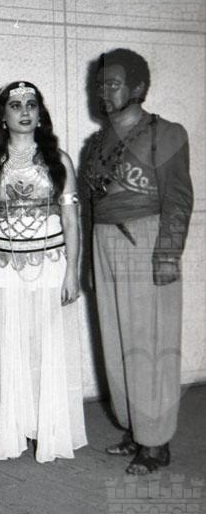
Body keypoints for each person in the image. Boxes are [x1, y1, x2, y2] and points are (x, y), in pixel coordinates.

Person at [84, 48, 193, 474]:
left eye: (112, 84)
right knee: (116, 343)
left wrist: (167, 253)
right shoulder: (96, 143)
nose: (103, 92)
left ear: (139, 87)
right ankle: (135, 428)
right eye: (100, 85)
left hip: (145, 238)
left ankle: (156, 444)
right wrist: (87, 264)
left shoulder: (166, 133)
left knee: (151, 344)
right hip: (104, 241)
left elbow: (179, 198)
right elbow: (89, 206)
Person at [0, 81, 88, 463]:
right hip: (3, 270)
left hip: (50, 267)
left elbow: (71, 220)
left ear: (40, 113)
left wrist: (73, 272)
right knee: (10, 348)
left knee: (47, 349)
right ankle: (12, 431)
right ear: (2, 116)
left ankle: (50, 431)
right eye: (16, 105)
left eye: (31, 104)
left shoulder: (59, 161)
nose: (24, 111)